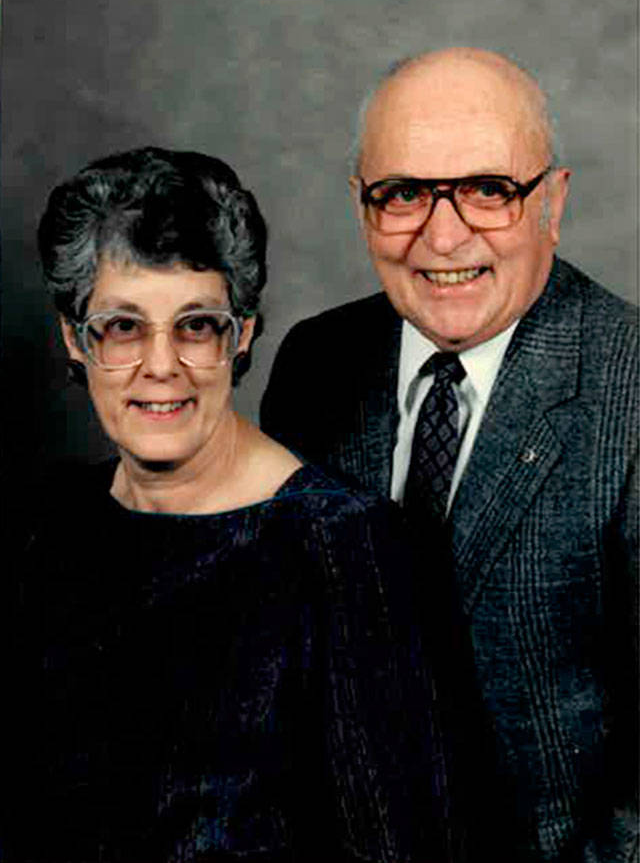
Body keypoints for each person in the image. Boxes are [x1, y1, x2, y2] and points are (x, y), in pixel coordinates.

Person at [7, 147, 449, 862]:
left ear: (241, 335)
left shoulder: (342, 546)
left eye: (196, 325)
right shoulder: (48, 529)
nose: (160, 365)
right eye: (122, 326)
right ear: (74, 338)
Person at [261, 48, 639, 861]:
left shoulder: (632, 388)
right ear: (363, 205)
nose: (443, 234)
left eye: (488, 190)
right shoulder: (314, 367)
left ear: (553, 202)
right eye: (403, 193)